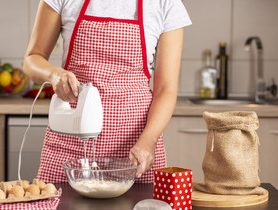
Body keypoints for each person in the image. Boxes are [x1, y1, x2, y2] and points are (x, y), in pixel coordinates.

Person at [23, 0, 191, 183]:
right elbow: (32, 59)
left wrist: (148, 141)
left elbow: (165, 89)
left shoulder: (165, 4)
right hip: (70, 142)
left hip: (135, 148)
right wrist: (54, 75)